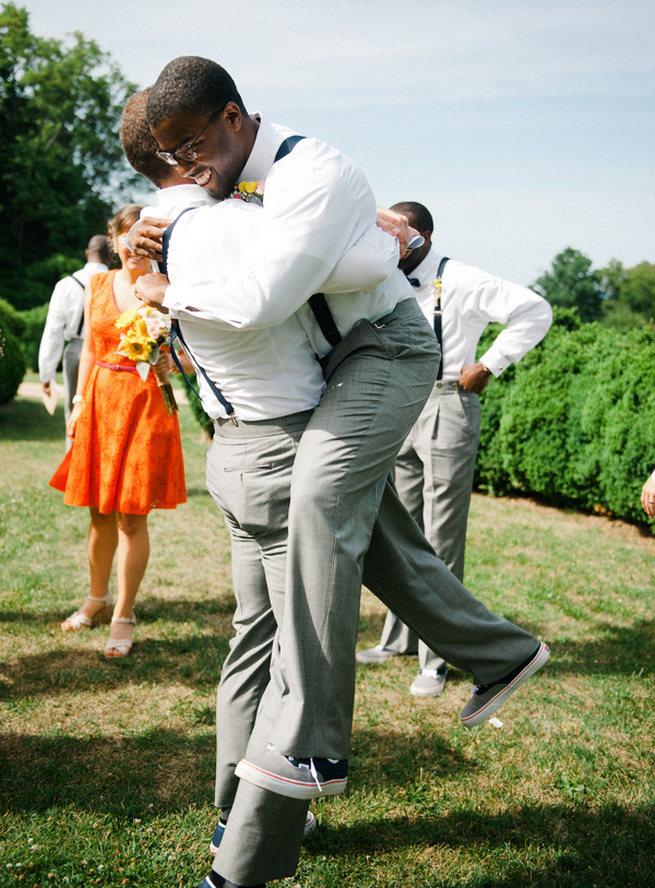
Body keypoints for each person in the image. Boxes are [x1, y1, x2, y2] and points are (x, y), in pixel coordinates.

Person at [131, 56, 549, 888]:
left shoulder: (305, 175)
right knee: (359, 550)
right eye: (170, 155)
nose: (186, 164)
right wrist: (163, 245)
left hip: (378, 357)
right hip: (296, 405)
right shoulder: (210, 204)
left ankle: (302, 759)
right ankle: (498, 652)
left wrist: (159, 282)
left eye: (192, 145)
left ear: (233, 116)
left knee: (322, 526)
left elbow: (291, 291)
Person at [357, 202, 553, 697]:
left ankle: (437, 660)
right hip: (397, 404)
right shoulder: (385, 276)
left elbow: (535, 309)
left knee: (442, 535)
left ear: (418, 237)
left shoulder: (461, 278)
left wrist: (489, 364)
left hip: (448, 403)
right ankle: (397, 639)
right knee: (403, 530)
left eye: (395, 240)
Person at [49, 205, 186, 658]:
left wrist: (173, 361)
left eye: (143, 239)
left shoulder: (169, 288)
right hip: (101, 401)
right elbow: (89, 348)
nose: (134, 246)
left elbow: (193, 353)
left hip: (146, 404)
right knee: (98, 512)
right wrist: (77, 402)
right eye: (126, 237)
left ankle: (123, 613)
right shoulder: (98, 283)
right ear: (115, 240)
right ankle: (95, 597)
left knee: (131, 515)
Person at [38, 235, 111, 448]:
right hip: (108, 352)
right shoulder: (116, 282)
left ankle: (73, 467)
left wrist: (46, 374)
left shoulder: (66, 285)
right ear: (111, 257)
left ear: (87, 253)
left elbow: (53, 331)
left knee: (74, 411)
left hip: (75, 350)